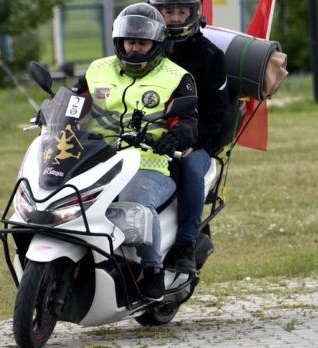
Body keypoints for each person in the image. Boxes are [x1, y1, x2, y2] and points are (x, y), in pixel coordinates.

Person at [74, 3, 198, 300]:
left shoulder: (177, 77)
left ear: (156, 45)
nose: (135, 50)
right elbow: (74, 102)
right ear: (120, 41)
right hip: (98, 158)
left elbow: (189, 121)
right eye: (130, 42)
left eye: (142, 44)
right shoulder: (97, 70)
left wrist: (175, 137)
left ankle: (152, 269)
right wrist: (53, 115)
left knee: (135, 202)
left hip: (150, 164)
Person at [148, 0, 229, 272]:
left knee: (191, 168)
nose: (173, 18)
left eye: (181, 12)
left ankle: (185, 245)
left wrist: (193, 144)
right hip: (145, 136)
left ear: (193, 14)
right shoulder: (143, 48)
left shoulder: (210, 56)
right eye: (167, 11)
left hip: (195, 141)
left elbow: (216, 112)